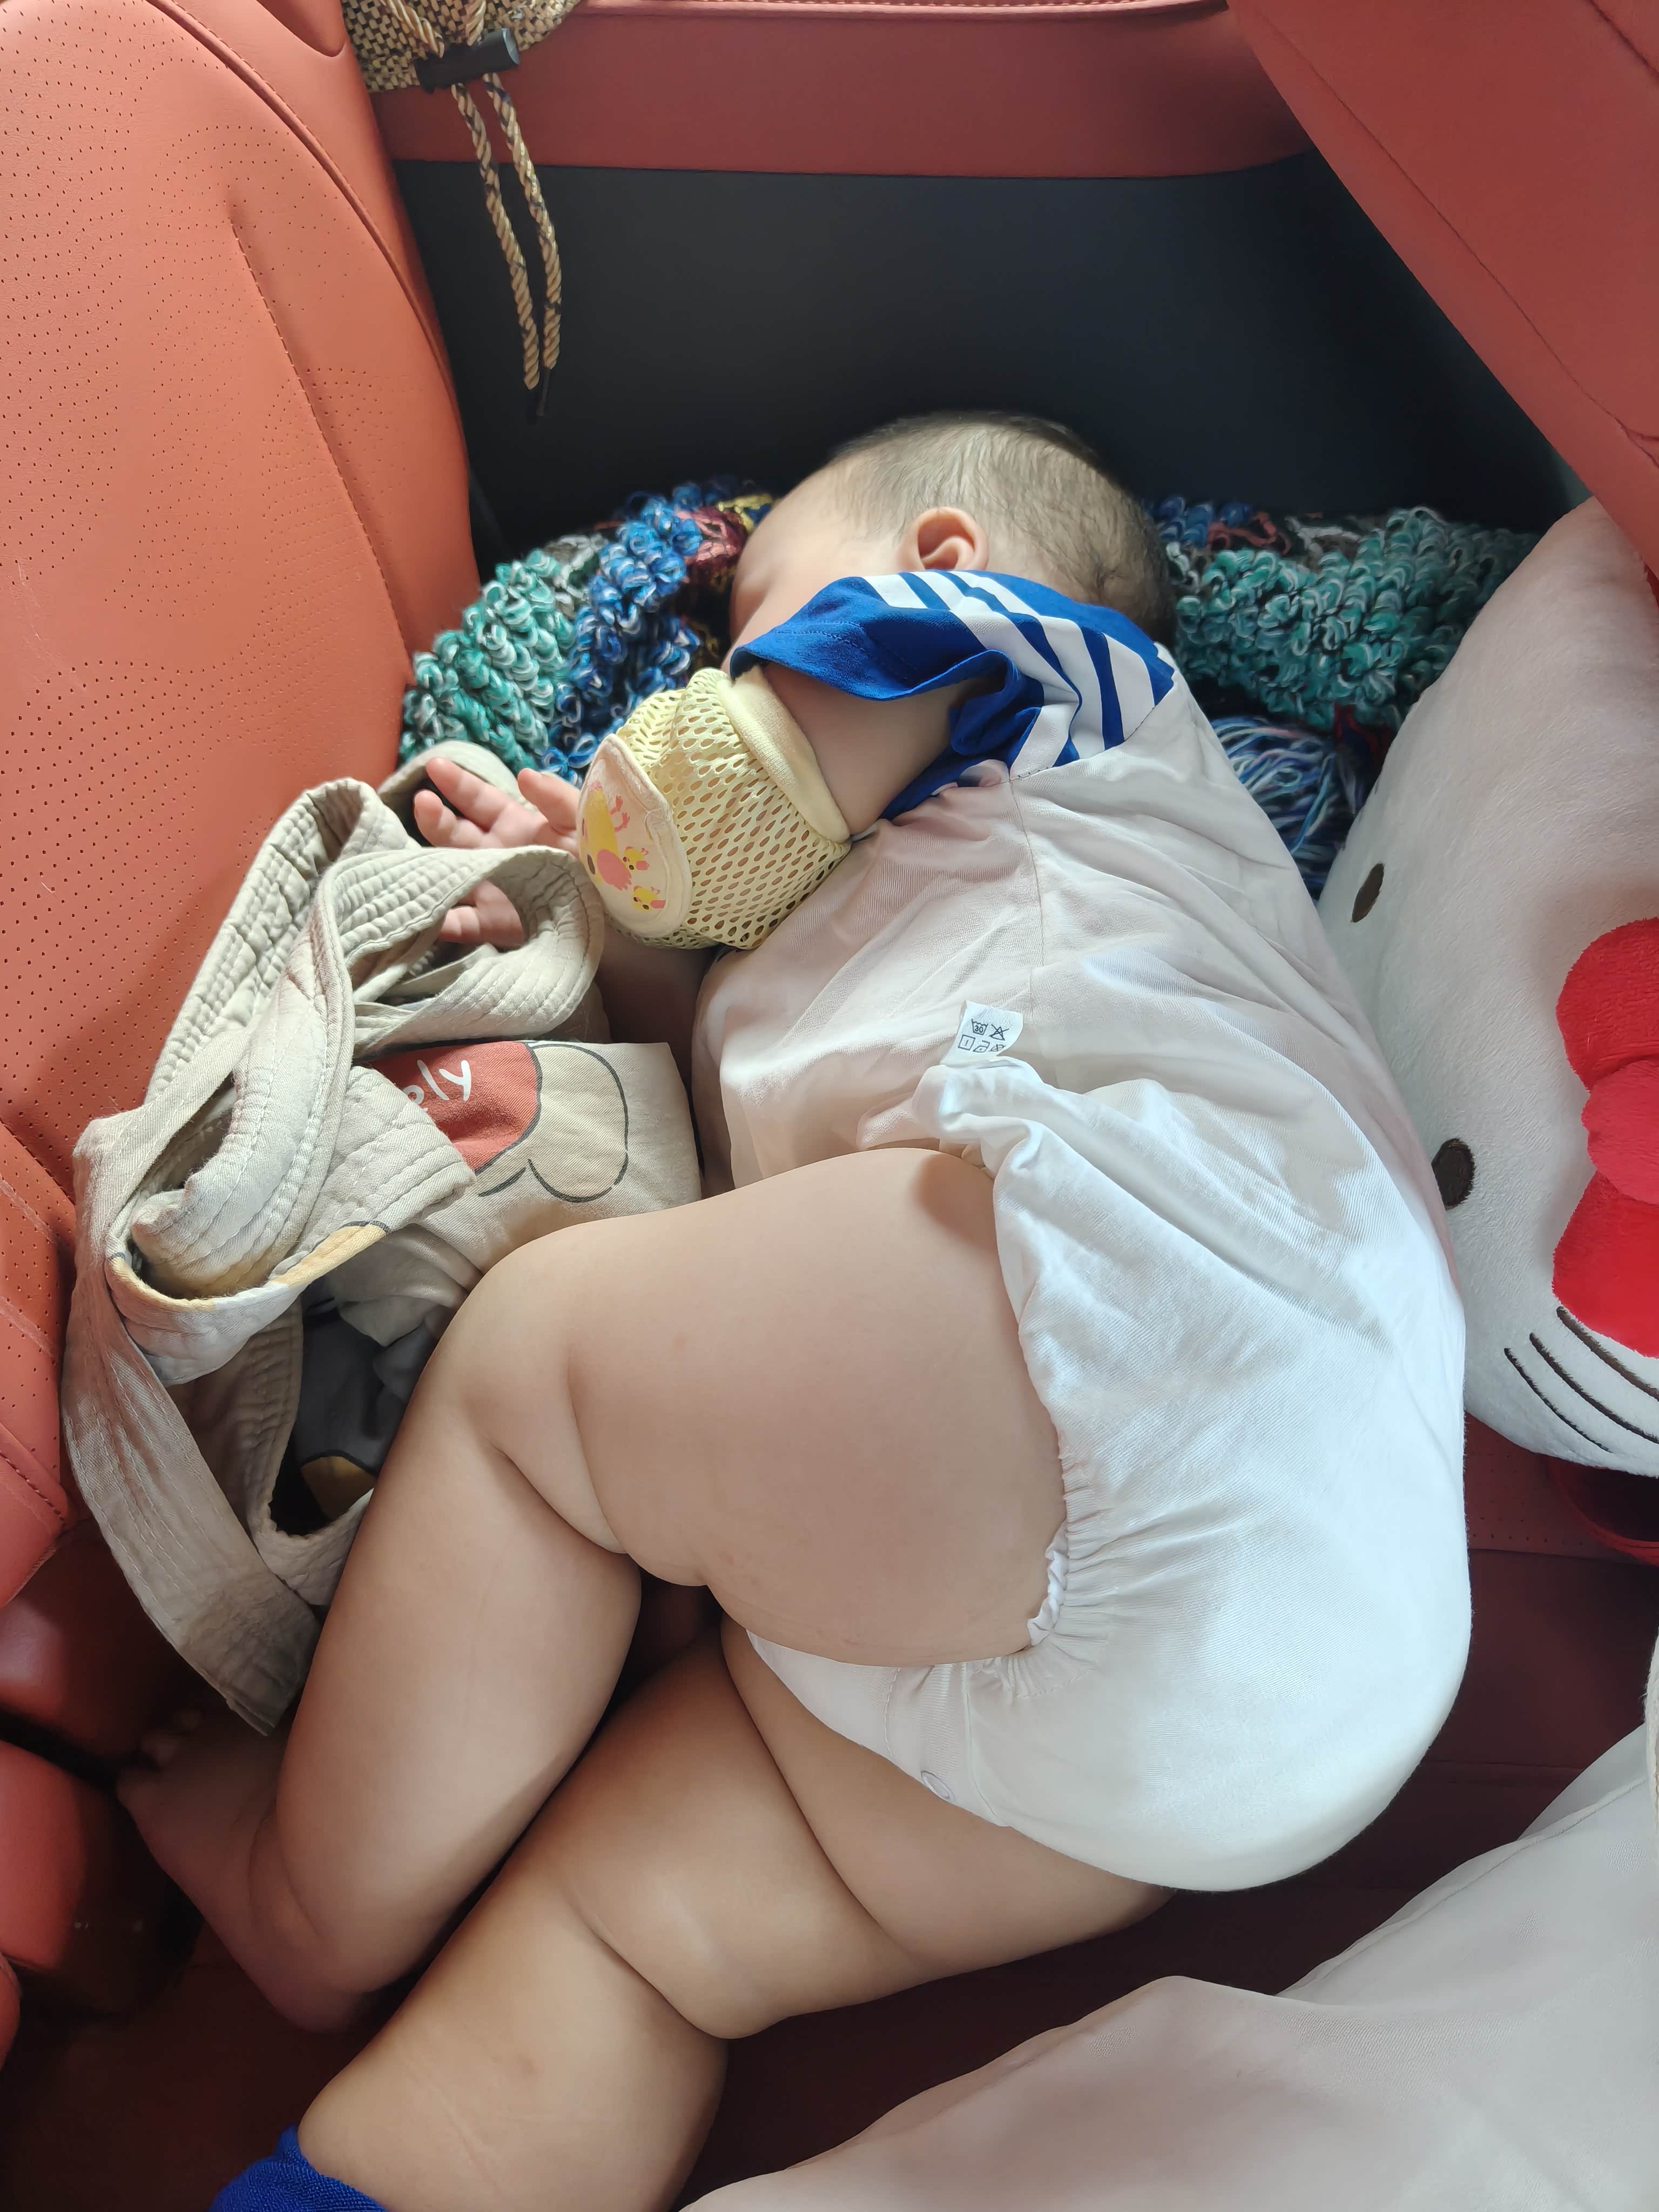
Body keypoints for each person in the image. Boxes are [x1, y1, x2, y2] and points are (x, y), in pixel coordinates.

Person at [123, 413, 1468, 2212]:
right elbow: (734, 1066)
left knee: (535, 1378)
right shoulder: (907, 929)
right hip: (1287, 1715)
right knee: (638, 1934)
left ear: (940, 554)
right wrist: (636, 939)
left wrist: (611, 840)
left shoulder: (1030, 664)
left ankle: (308, 1901)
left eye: (745, 626)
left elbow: (734, 782)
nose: (725, 670)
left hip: (1147, 1327)